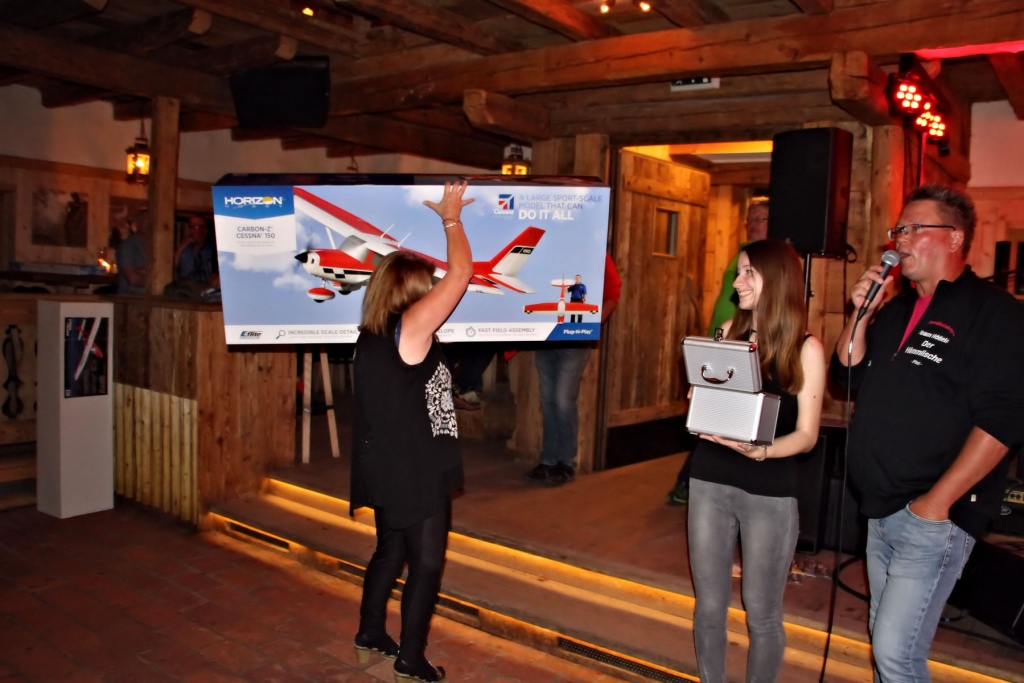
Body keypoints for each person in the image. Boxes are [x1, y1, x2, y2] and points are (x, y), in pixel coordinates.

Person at [830, 184, 1024, 683]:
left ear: (955, 238)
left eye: (915, 228)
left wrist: (936, 504)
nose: (900, 240)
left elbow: (1004, 420)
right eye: (898, 230)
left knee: (896, 653)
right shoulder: (895, 310)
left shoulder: (993, 312)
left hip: (932, 518)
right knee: (884, 645)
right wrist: (861, 313)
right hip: (879, 509)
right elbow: (846, 373)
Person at [349, 181, 473, 683]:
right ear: (411, 291)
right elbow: (462, 273)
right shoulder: (411, 328)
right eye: (427, 283)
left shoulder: (371, 335)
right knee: (426, 564)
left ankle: (370, 632)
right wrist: (451, 219)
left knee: (391, 551)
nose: (434, 289)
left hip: (385, 463)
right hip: (415, 468)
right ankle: (411, 658)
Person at [687, 239, 825, 683]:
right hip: (710, 479)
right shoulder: (727, 330)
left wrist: (763, 450)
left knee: (762, 612)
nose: (737, 284)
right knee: (709, 605)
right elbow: (712, 404)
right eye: (738, 273)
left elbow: (807, 435)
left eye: (749, 273)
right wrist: (700, 398)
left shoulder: (806, 348)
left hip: (770, 489)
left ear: (777, 280)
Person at [668, 199, 769, 505]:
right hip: (725, 336)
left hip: (749, 341)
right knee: (710, 411)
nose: (753, 224)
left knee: (733, 414)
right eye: (750, 219)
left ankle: (692, 480)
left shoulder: (767, 259)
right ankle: (692, 480)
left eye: (761, 219)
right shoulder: (739, 255)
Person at [173, 214, 217, 286]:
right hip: (185, 288)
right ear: (190, 230)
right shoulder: (184, 250)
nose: (200, 230)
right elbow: (172, 267)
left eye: (203, 226)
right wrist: (182, 246)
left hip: (207, 288)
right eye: (196, 227)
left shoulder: (213, 250)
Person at [115, 208, 147, 295]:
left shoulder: (159, 247)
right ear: (136, 225)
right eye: (145, 220)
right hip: (130, 298)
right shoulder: (127, 246)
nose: (149, 223)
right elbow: (133, 279)